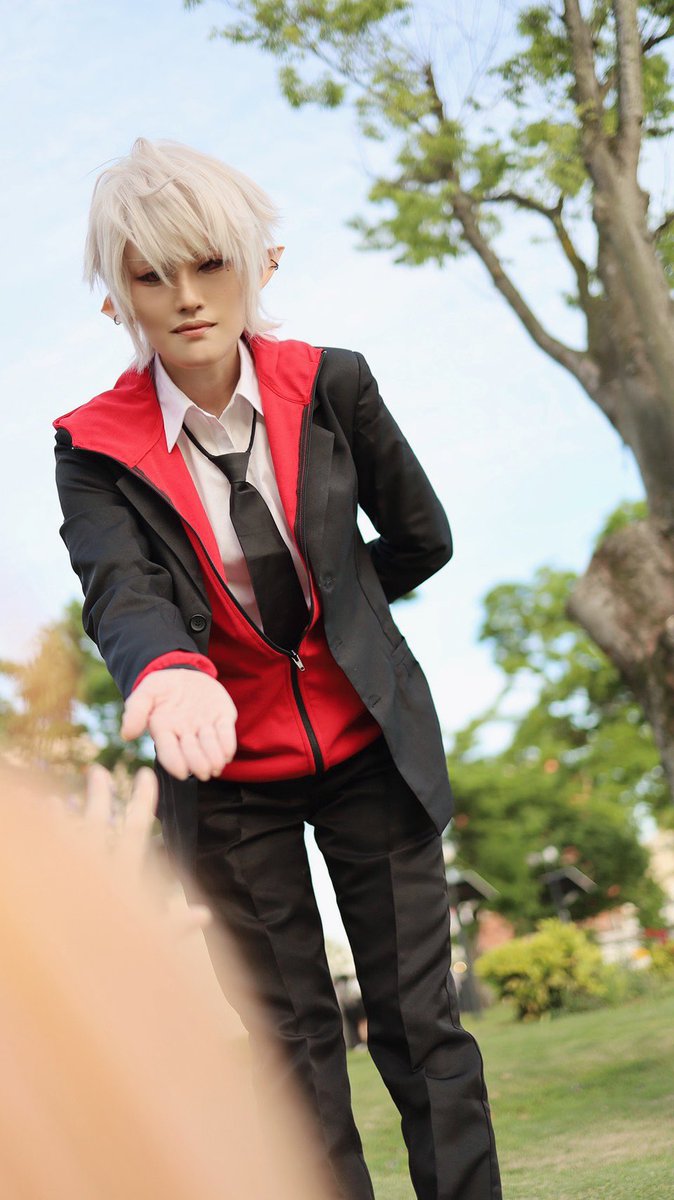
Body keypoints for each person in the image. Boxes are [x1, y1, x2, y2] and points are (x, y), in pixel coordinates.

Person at [53, 137, 502, 1200]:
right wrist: (169, 667)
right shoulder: (90, 445)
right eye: (151, 276)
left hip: (370, 750)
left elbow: (420, 537)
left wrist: (342, 616)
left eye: (209, 264)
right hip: (224, 778)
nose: (186, 297)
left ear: (262, 262)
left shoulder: (334, 385)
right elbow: (120, 587)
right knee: (291, 1050)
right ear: (117, 299)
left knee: (420, 1025)